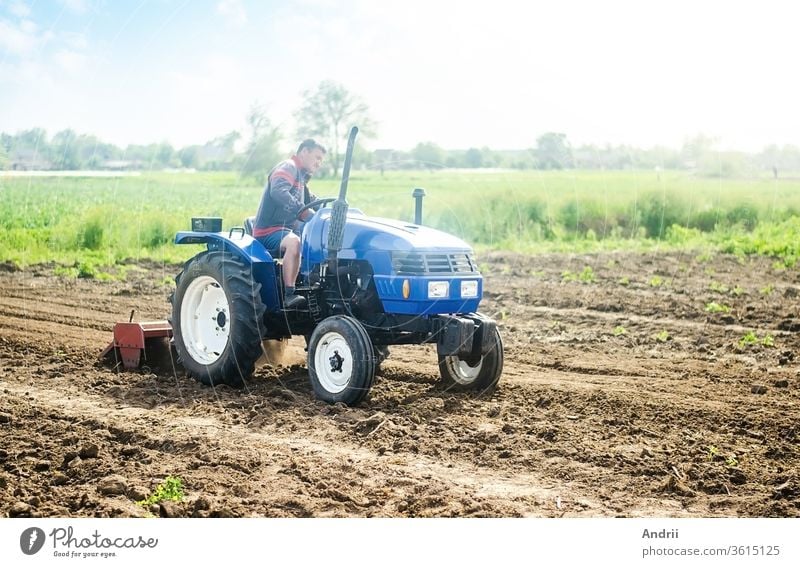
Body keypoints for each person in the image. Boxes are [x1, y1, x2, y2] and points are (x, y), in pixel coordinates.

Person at [253, 139, 326, 308]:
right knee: (295, 243)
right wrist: (303, 211)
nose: (318, 163)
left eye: (321, 160)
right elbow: (278, 191)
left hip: (285, 229)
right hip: (269, 231)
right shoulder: (289, 167)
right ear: (304, 152)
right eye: (317, 157)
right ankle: (289, 294)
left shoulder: (301, 178)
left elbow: (311, 201)